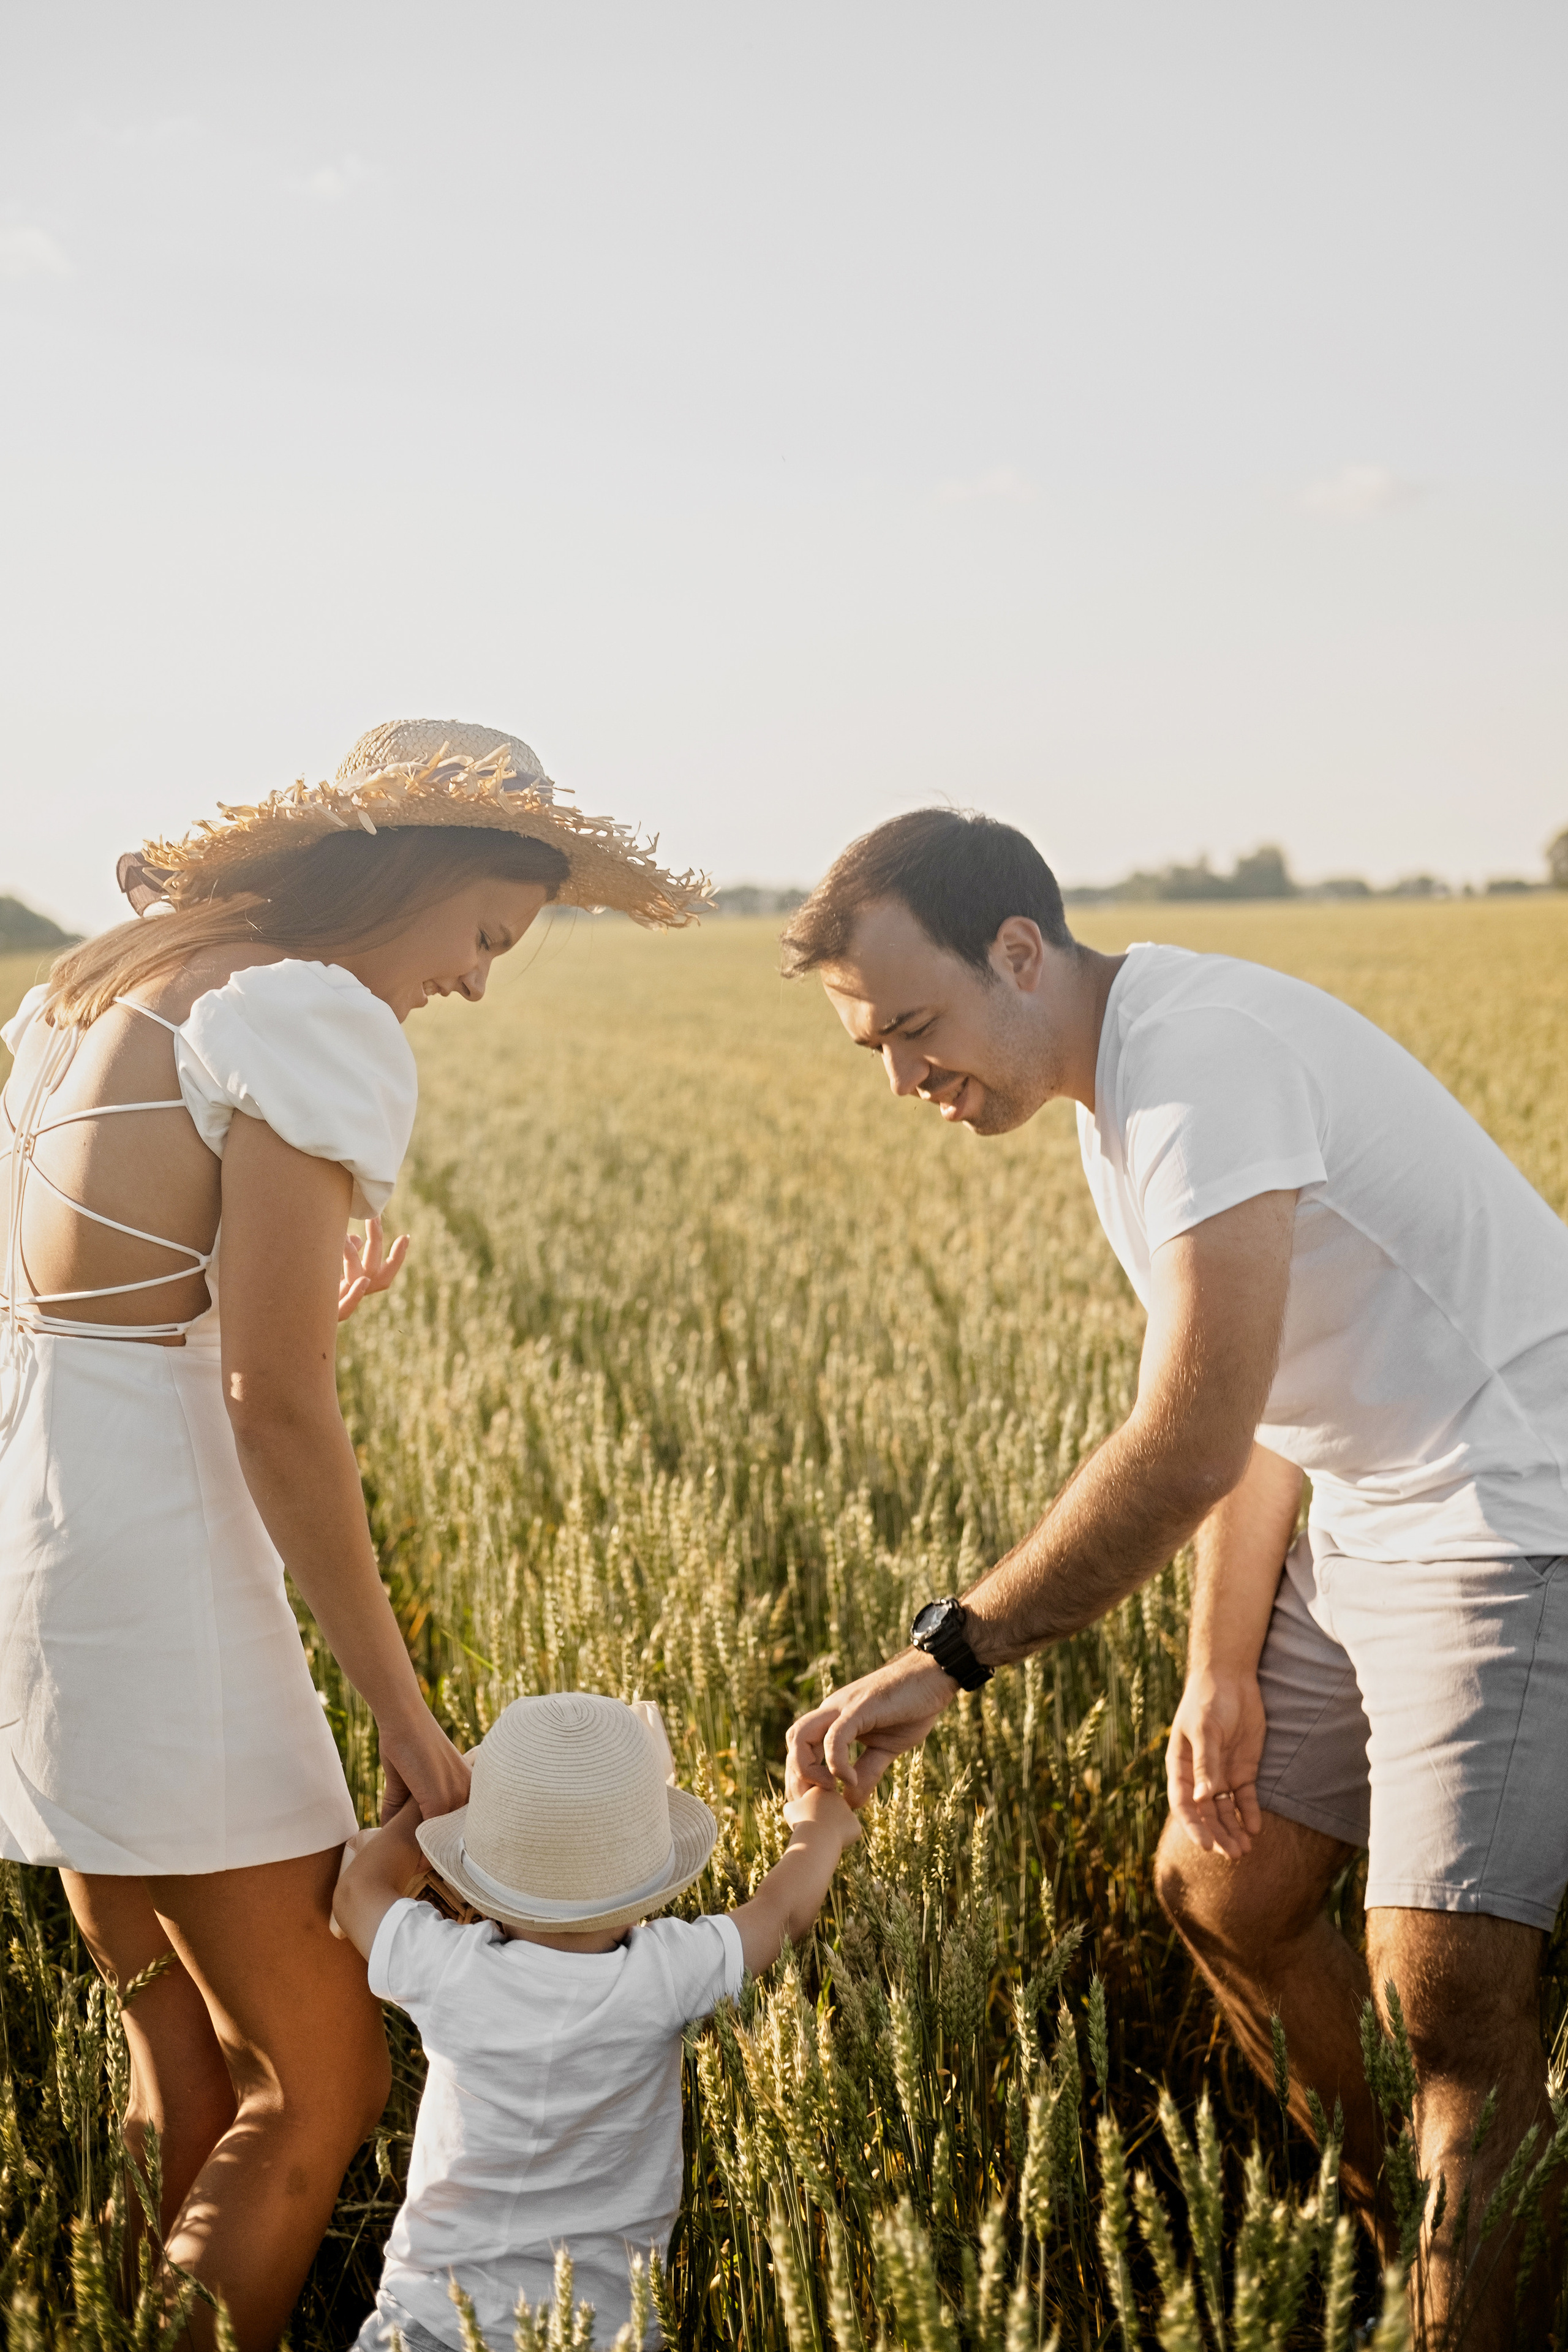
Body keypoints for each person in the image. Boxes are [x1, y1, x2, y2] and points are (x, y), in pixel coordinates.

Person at [781, 807, 1568, 2347]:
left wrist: (944, 1652)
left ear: (1019, 950)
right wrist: (1217, 1667)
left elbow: (1186, 1435)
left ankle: (1469, 2285)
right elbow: (1262, 1414)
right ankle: (1412, 2227)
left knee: (1446, 1994)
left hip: (1508, 1504)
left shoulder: (1198, 1061)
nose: (900, 1078)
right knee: (1219, 1886)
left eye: (915, 1026)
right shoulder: (1118, 1087)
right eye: (870, 1045)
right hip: (1365, 1507)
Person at [0, 718, 709, 2351]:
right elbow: (273, 1402)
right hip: (161, 1590)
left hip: (43, 1561)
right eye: (486, 937)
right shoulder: (306, 1013)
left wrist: (278, 1323)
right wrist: (396, 1701)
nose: (474, 983)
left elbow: (104, 1312)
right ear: (430, 876)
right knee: (322, 2078)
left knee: (179, 2050)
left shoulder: (100, 983)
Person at [333, 1689, 859, 2349]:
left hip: (428, 2322)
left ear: (475, 1873)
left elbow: (357, 1893)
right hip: (606, 2333)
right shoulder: (667, 1975)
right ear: (648, 1883)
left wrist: (423, 1811)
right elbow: (781, 1915)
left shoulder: (447, 1970)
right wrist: (820, 1828)